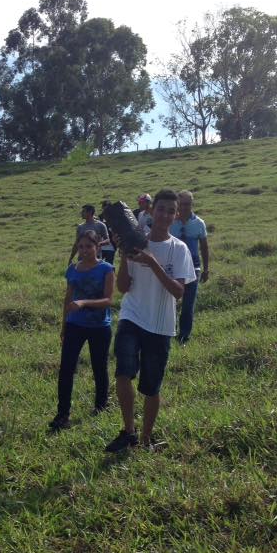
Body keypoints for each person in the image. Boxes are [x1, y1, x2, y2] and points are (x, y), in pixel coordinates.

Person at [106, 189, 195, 452]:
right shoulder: (135, 240)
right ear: (151, 211)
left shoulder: (179, 249)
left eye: (171, 211)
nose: (165, 215)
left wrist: (152, 262)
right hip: (131, 316)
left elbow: (178, 292)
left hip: (160, 324)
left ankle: (146, 440)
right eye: (161, 209)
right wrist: (125, 255)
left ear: (176, 216)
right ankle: (129, 432)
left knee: (151, 387)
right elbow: (123, 288)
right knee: (123, 372)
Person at [50, 230, 115, 431]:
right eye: (81, 247)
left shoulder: (106, 269)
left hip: (99, 327)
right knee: (66, 369)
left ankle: (101, 406)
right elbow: (67, 299)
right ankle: (62, 414)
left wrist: (84, 302)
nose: (84, 250)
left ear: (97, 247)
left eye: (89, 246)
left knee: (99, 367)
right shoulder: (73, 270)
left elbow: (108, 300)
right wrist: (63, 326)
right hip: (74, 325)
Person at [169, 190, 209, 345]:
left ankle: (184, 336)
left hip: (193, 268)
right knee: (170, 303)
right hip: (173, 269)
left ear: (192, 204)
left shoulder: (199, 223)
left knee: (188, 305)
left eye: (187, 204)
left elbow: (204, 247)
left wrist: (206, 269)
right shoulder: (171, 222)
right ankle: (169, 332)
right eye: (181, 204)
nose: (184, 207)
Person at [99, 200, 116, 264]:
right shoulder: (100, 217)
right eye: (104, 208)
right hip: (100, 247)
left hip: (111, 247)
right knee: (98, 265)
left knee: (109, 265)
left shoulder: (114, 218)